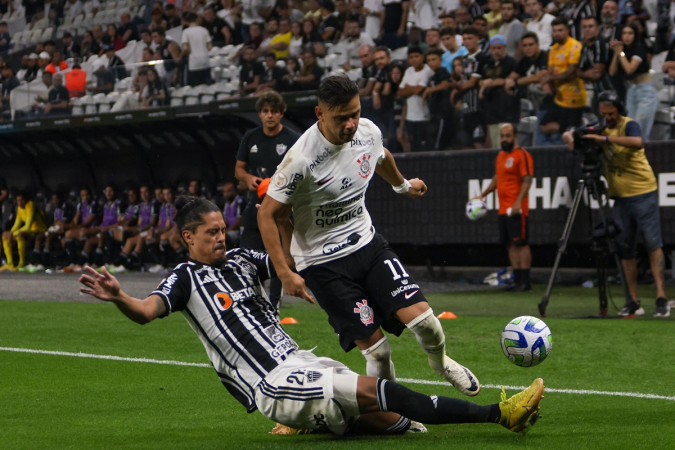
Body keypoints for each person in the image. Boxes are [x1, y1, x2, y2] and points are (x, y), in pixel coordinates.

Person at [78, 195, 545, 436]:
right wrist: (119, 295)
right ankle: (500, 415)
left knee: (397, 423)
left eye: (223, 229)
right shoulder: (183, 279)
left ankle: (308, 423)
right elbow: (145, 312)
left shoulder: (242, 259)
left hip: (304, 363)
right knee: (379, 391)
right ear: (187, 237)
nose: (221, 238)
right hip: (272, 381)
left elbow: (290, 263)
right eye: (211, 233)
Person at [258, 75, 481, 398]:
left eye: (355, 113)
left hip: (367, 244)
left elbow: (381, 156)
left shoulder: (368, 132)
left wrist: (403, 185)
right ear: (320, 113)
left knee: (426, 322)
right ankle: (390, 413)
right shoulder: (300, 158)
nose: (350, 124)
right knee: (378, 352)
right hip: (323, 264)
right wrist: (284, 271)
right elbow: (267, 213)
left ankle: (442, 363)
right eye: (341, 118)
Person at [562, 91, 669, 318]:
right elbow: (569, 135)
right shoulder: (599, 125)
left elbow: (638, 142)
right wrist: (572, 139)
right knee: (625, 249)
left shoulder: (629, 125)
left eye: (611, 113)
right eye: (604, 114)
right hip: (619, 196)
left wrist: (603, 139)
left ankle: (661, 296)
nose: (607, 118)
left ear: (619, 110)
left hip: (643, 192)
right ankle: (633, 300)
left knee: (652, 243)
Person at [235, 91, 300, 309]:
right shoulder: (251, 137)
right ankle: (251, 299)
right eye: (265, 111)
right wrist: (249, 178)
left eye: (274, 111)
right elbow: (238, 169)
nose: (269, 115)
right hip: (255, 205)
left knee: (280, 255)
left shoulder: (293, 139)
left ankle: (274, 303)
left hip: (283, 207)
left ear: (281, 113)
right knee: (248, 254)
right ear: (260, 114)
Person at [476, 124, 534, 291]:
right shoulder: (500, 156)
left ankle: (526, 281)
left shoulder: (522, 155)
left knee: (522, 244)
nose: (504, 139)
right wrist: (483, 195)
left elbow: (528, 179)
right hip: (503, 208)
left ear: (515, 136)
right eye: (502, 136)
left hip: (517, 208)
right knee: (510, 244)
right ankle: (517, 281)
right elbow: (497, 178)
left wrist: (518, 202)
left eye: (508, 136)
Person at [539, 18, 586, 144]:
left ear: (567, 30)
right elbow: (550, 70)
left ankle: (575, 132)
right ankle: (574, 130)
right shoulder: (553, 49)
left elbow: (572, 73)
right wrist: (547, 82)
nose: (557, 33)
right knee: (544, 124)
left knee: (570, 136)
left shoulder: (574, 46)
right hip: (559, 98)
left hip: (573, 98)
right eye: (555, 31)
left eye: (560, 30)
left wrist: (550, 78)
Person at [608, 22, 657, 141]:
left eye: (630, 33)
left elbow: (630, 69)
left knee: (640, 129)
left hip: (645, 91)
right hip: (632, 90)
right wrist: (616, 53)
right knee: (630, 128)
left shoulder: (639, 48)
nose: (627, 36)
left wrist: (620, 53)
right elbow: (612, 72)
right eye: (624, 33)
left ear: (635, 35)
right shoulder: (622, 51)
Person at [476, 35, 519, 147]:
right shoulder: (488, 63)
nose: (497, 51)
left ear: (505, 47)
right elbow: (480, 80)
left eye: (499, 48)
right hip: (490, 108)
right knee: (493, 144)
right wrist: (484, 84)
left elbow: (506, 80)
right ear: (490, 48)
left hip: (506, 110)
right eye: (494, 48)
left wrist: (488, 83)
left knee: (505, 144)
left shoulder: (511, 62)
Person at [397, 47, 434, 151]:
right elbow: (400, 92)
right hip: (410, 116)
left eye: (416, 56)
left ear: (422, 57)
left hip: (424, 115)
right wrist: (415, 88)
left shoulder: (427, 70)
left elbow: (418, 91)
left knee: (424, 146)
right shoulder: (409, 71)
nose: (414, 59)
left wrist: (408, 86)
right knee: (413, 145)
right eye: (411, 57)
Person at [0, 191, 47, 271]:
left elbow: (28, 226)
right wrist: (10, 233)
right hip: (30, 231)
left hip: (39, 230)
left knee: (20, 234)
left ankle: (21, 263)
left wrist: (12, 234)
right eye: (18, 201)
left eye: (21, 200)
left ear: (26, 200)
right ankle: (9, 263)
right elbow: (17, 224)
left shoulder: (30, 205)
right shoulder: (19, 208)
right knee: (5, 234)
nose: (19, 203)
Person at [578, 17, 614, 113]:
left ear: (597, 28)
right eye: (584, 27)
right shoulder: (585, 46)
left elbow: (597, 73)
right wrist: (585, 74)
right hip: (598, 92)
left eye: (591, 26)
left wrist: (583, 74)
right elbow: (577, 71)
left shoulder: (600, 44)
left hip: (611, 90)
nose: (587, 29)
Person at [181, 12, 213, 87]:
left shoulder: (186, 32)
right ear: (196, 19)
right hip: (205, 61)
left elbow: (185, 48)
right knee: (207, 87)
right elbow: (210, 46)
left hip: (194, 63)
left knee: (195, 88)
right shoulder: (204, 30)